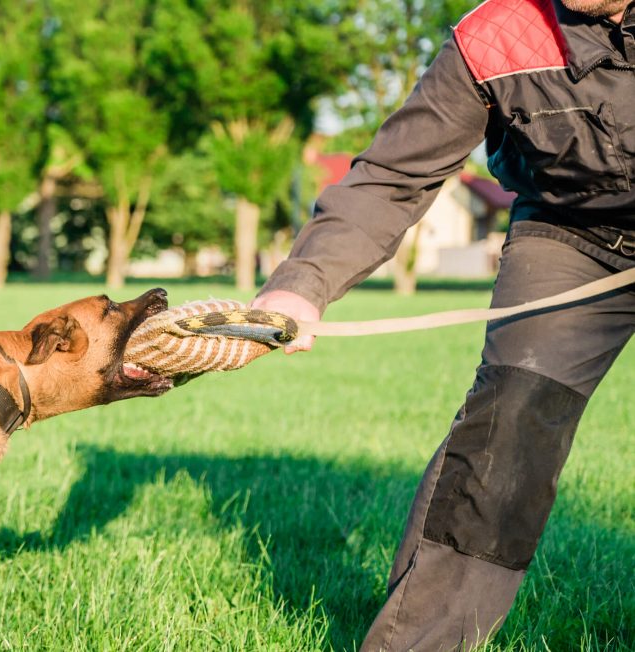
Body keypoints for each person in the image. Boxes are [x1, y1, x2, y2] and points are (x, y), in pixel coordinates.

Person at [252, 0, 635, 649]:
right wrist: (301, 286)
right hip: (569, 234)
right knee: (510, 422)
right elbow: (390, 178)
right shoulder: (496, 36)